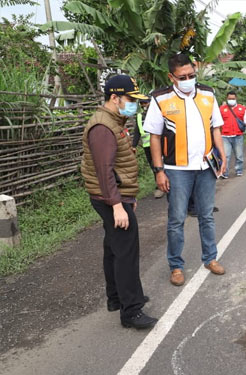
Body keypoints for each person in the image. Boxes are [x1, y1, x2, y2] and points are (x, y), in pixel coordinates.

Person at [143, 53, 227, 287]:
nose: (189, 80)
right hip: (176, 169)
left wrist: (222, 154)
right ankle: (176, 266)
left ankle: (210, 258)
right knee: (177, 219)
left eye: (191, 75)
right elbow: (155, 137)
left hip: (205, 166)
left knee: (207, 216)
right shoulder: (161, 99)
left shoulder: (208, 94)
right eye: (183, 77)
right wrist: (159, 170)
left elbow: (216, 127)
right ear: (172, 76)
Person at [81, 74, 157, 329]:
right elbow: (104, 170)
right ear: (115, 98)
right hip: (109, 197)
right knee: (126, 251)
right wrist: (117, 205)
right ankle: (131, 311)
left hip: (114, 195)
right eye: (129, 99)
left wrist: (127, 197)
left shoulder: (113, 121)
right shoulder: (103, 127)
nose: (133, 104)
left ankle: (116, 298)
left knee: (113, 247)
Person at [132, 97, 164, 199]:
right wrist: (133, 146)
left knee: (161, 164)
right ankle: (160, 185)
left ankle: (168, 184)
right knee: (153, 166)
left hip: (160, 144)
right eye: (142, 103)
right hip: (147, 146)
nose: (144, 105)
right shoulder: (139, 116)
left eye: (145, 102)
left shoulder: (158, 113)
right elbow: (137, 132)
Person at [219, 91, 246, 178]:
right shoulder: (221, 109)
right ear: (227, 99)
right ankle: (225, 173)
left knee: (239, 155)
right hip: (225, 137)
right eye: (230, 99)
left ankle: (239, 170)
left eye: (233, 99)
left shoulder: (242, 109)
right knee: (226, 156)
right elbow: (217, 123)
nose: (231, 100)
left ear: (236, 99)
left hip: (238, 136)